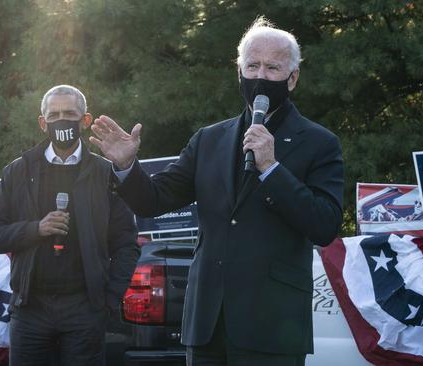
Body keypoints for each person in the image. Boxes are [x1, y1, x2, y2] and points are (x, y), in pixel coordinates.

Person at [90, 17, 344, 366]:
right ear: (239, 73)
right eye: (252, 66)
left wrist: (271, 168)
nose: (260, 76)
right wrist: (125, 167)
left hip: (273, 326)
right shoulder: (209, 139)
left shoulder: (319, 143)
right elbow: (153, 199)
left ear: (293, 78)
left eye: (273, 68)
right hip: (207, 324)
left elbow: (325, 225)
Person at [0, 84, 140, 365]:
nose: (61, 120)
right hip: (30, 308)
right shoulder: (19, 171)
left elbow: (126, 242)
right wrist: (36, 229)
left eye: (69, 113)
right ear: (43, 124)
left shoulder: (105, 174)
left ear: (85, 120)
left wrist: (108, 299)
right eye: (53, 115)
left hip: (84, 308)